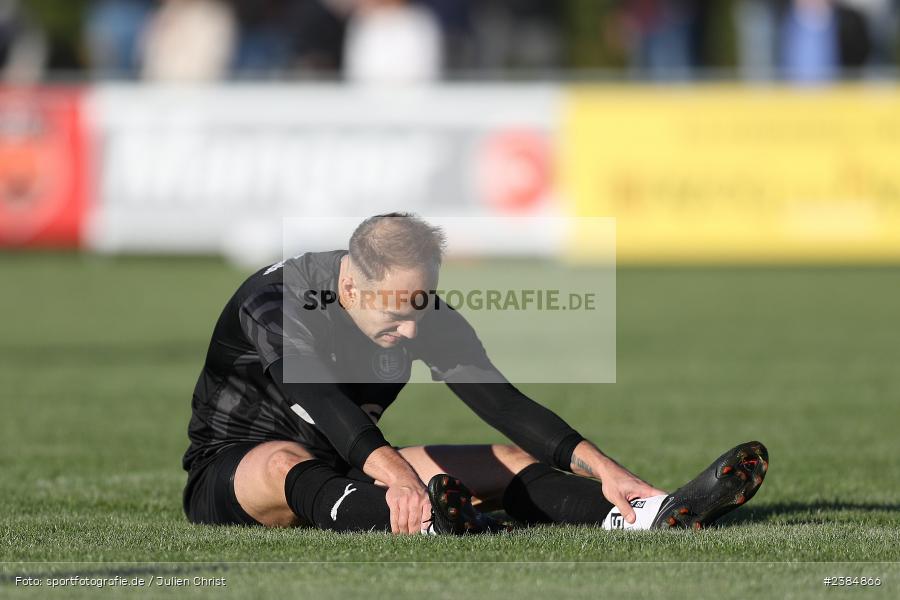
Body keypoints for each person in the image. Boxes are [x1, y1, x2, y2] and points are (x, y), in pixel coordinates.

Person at [182, 213, 768, 534]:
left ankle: (642, 515)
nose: (413, 331)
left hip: (351, 460)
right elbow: (319, 400)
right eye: (396, 315)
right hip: (233, 470)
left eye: (421, 310)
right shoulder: (277, 300)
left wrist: (605, 467)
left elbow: (502, 402)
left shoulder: (414, 308)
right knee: (285, 463)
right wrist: (399, 477)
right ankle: (429, 522)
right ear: (351, 287)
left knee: (509, 459)